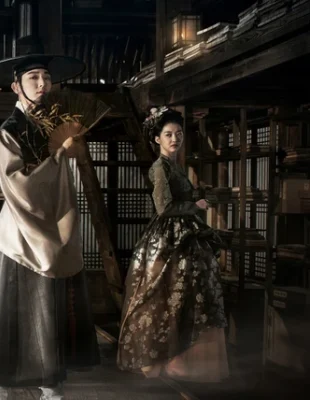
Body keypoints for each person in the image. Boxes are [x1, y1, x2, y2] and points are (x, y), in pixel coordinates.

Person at [0, 39, 100, 400]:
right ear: (16, 86)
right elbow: (18, 185)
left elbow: (63, 182)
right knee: (14, 314)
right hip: (21, 233)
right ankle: (2, 388)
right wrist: (58, 157)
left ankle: (50, 387)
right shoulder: (9, 130)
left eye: (46, 76)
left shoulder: (53, 123)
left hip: (55, 224)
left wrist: (67, 154)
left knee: (50, 312)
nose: (43, 83)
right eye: (33, 77)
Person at [117, 107, 229, 382]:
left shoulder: (174, 166)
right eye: (168, 134)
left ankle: (184, 361)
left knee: (192, 291)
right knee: (168, 294)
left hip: (184, 231)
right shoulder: (160, 167)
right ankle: (170, 360)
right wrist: (196, 205)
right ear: (157, 139)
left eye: (178, 133)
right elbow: (164, 207)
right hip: (169, 234)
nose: (175, 139)